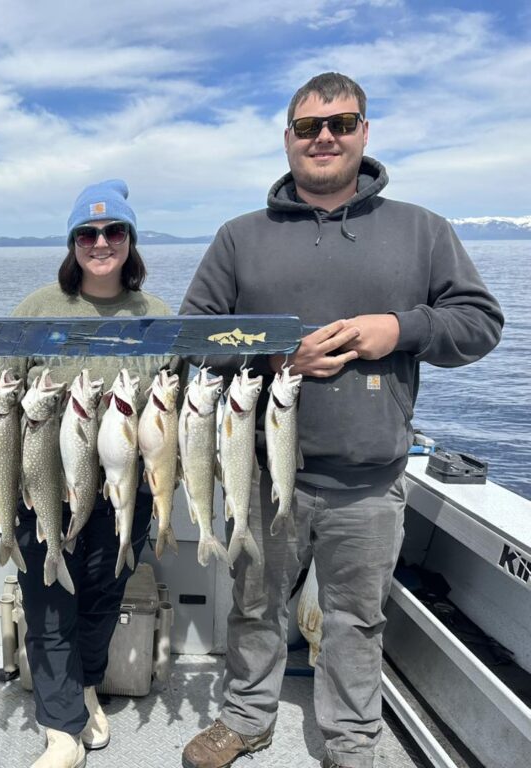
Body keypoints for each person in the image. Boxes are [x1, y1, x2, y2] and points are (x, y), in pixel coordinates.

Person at [179, 73, 503, 768]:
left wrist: (401, 328)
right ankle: (246, 716)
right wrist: (273, 355)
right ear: (287, 138)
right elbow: (191, 337)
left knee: (357, 618)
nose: (324, 137)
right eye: (308, 127)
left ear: (364, 133)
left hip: (369, 477)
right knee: (254, 607)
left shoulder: (422, 230)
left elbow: (480, 324)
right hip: (261, 475)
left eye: (341, 123)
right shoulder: (240, 238)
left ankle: (353, 739)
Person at [0, 179, 181, 768]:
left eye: (113, 231)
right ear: (72, 243)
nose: (101, 242)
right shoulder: (37, 308)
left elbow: (175, 406)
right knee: (47, 604)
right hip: (44, 485)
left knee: (102, 597)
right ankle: (61, 729)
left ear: (130, 241)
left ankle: (87, 685)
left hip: (124, 492)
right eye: (87, 233)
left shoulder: (159, 316)